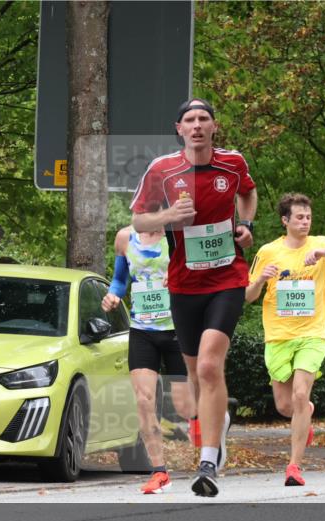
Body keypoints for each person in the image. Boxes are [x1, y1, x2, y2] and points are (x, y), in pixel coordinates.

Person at [131, 98, 256, 497]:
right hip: (184, 284)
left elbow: (247, 195)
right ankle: (216, 424)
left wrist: (247, 225)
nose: (197, 125)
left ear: (214, 127)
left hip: (228, 277)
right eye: (190, 120)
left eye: (204, 119)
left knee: (207, 365)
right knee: (192, 371)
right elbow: (138, 218)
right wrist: (168, 218)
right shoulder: (162, 170)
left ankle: (207, 459)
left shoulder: (232, 164)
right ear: (179, 128)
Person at [246, 193, 325, 486]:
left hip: (312, 334)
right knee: (286, 407)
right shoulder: (268, 251)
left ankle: (293, 467)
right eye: (299, 217)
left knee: (300, 394)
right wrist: (261, 278)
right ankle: (306, 415)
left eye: (308, 217)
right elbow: (247, 297)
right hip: (278, 337)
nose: (305, 222)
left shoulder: (321, 244)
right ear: (285, 220)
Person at [102, 226, 196, 494]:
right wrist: (113, 295)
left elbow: (202, 275)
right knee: (143, 400)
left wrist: (180, 279)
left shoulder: (178, 236)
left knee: (184, 406)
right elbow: (120, 280)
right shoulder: (125, 238)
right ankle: (159, 472)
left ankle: (208, 420)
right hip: (143, 330)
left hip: (178, 328)